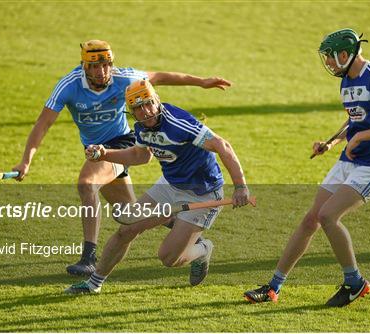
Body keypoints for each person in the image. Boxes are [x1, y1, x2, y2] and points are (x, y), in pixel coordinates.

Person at [12, 40, 232, 276]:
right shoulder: (69, 85)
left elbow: (158, 76)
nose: (101, 72)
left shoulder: (124, 78)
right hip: (95, 150)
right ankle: (189, 235)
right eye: (95, 67)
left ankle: (89, 257)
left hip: (122, 144)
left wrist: (201, 82)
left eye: (106, 65)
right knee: (130, 217)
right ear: (84, 67)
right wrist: (27, 160)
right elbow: (43, 123)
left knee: (87, 185)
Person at [244, 29, 370, 307]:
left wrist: (361, 137)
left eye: (330, 57)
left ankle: (354, 282)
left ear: (345, 54)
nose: (328, 63)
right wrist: (332, 143)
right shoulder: (345, 81)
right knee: (311, 220)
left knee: (329, 216)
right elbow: (356, 120)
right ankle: (273, 287)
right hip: (350, 161)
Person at [64, 79, 250, 294]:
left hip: (203, 194)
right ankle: (94, 283)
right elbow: (140, 155)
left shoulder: (178, 124)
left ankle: (203, 249)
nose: (145, 111)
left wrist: (240, 186)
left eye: (148, 103)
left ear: (157, 101)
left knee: (169, 258)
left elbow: (222, 145)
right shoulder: (141, 127)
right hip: (170, 186)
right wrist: (106, 153)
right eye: (137, 108)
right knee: (126, 230)